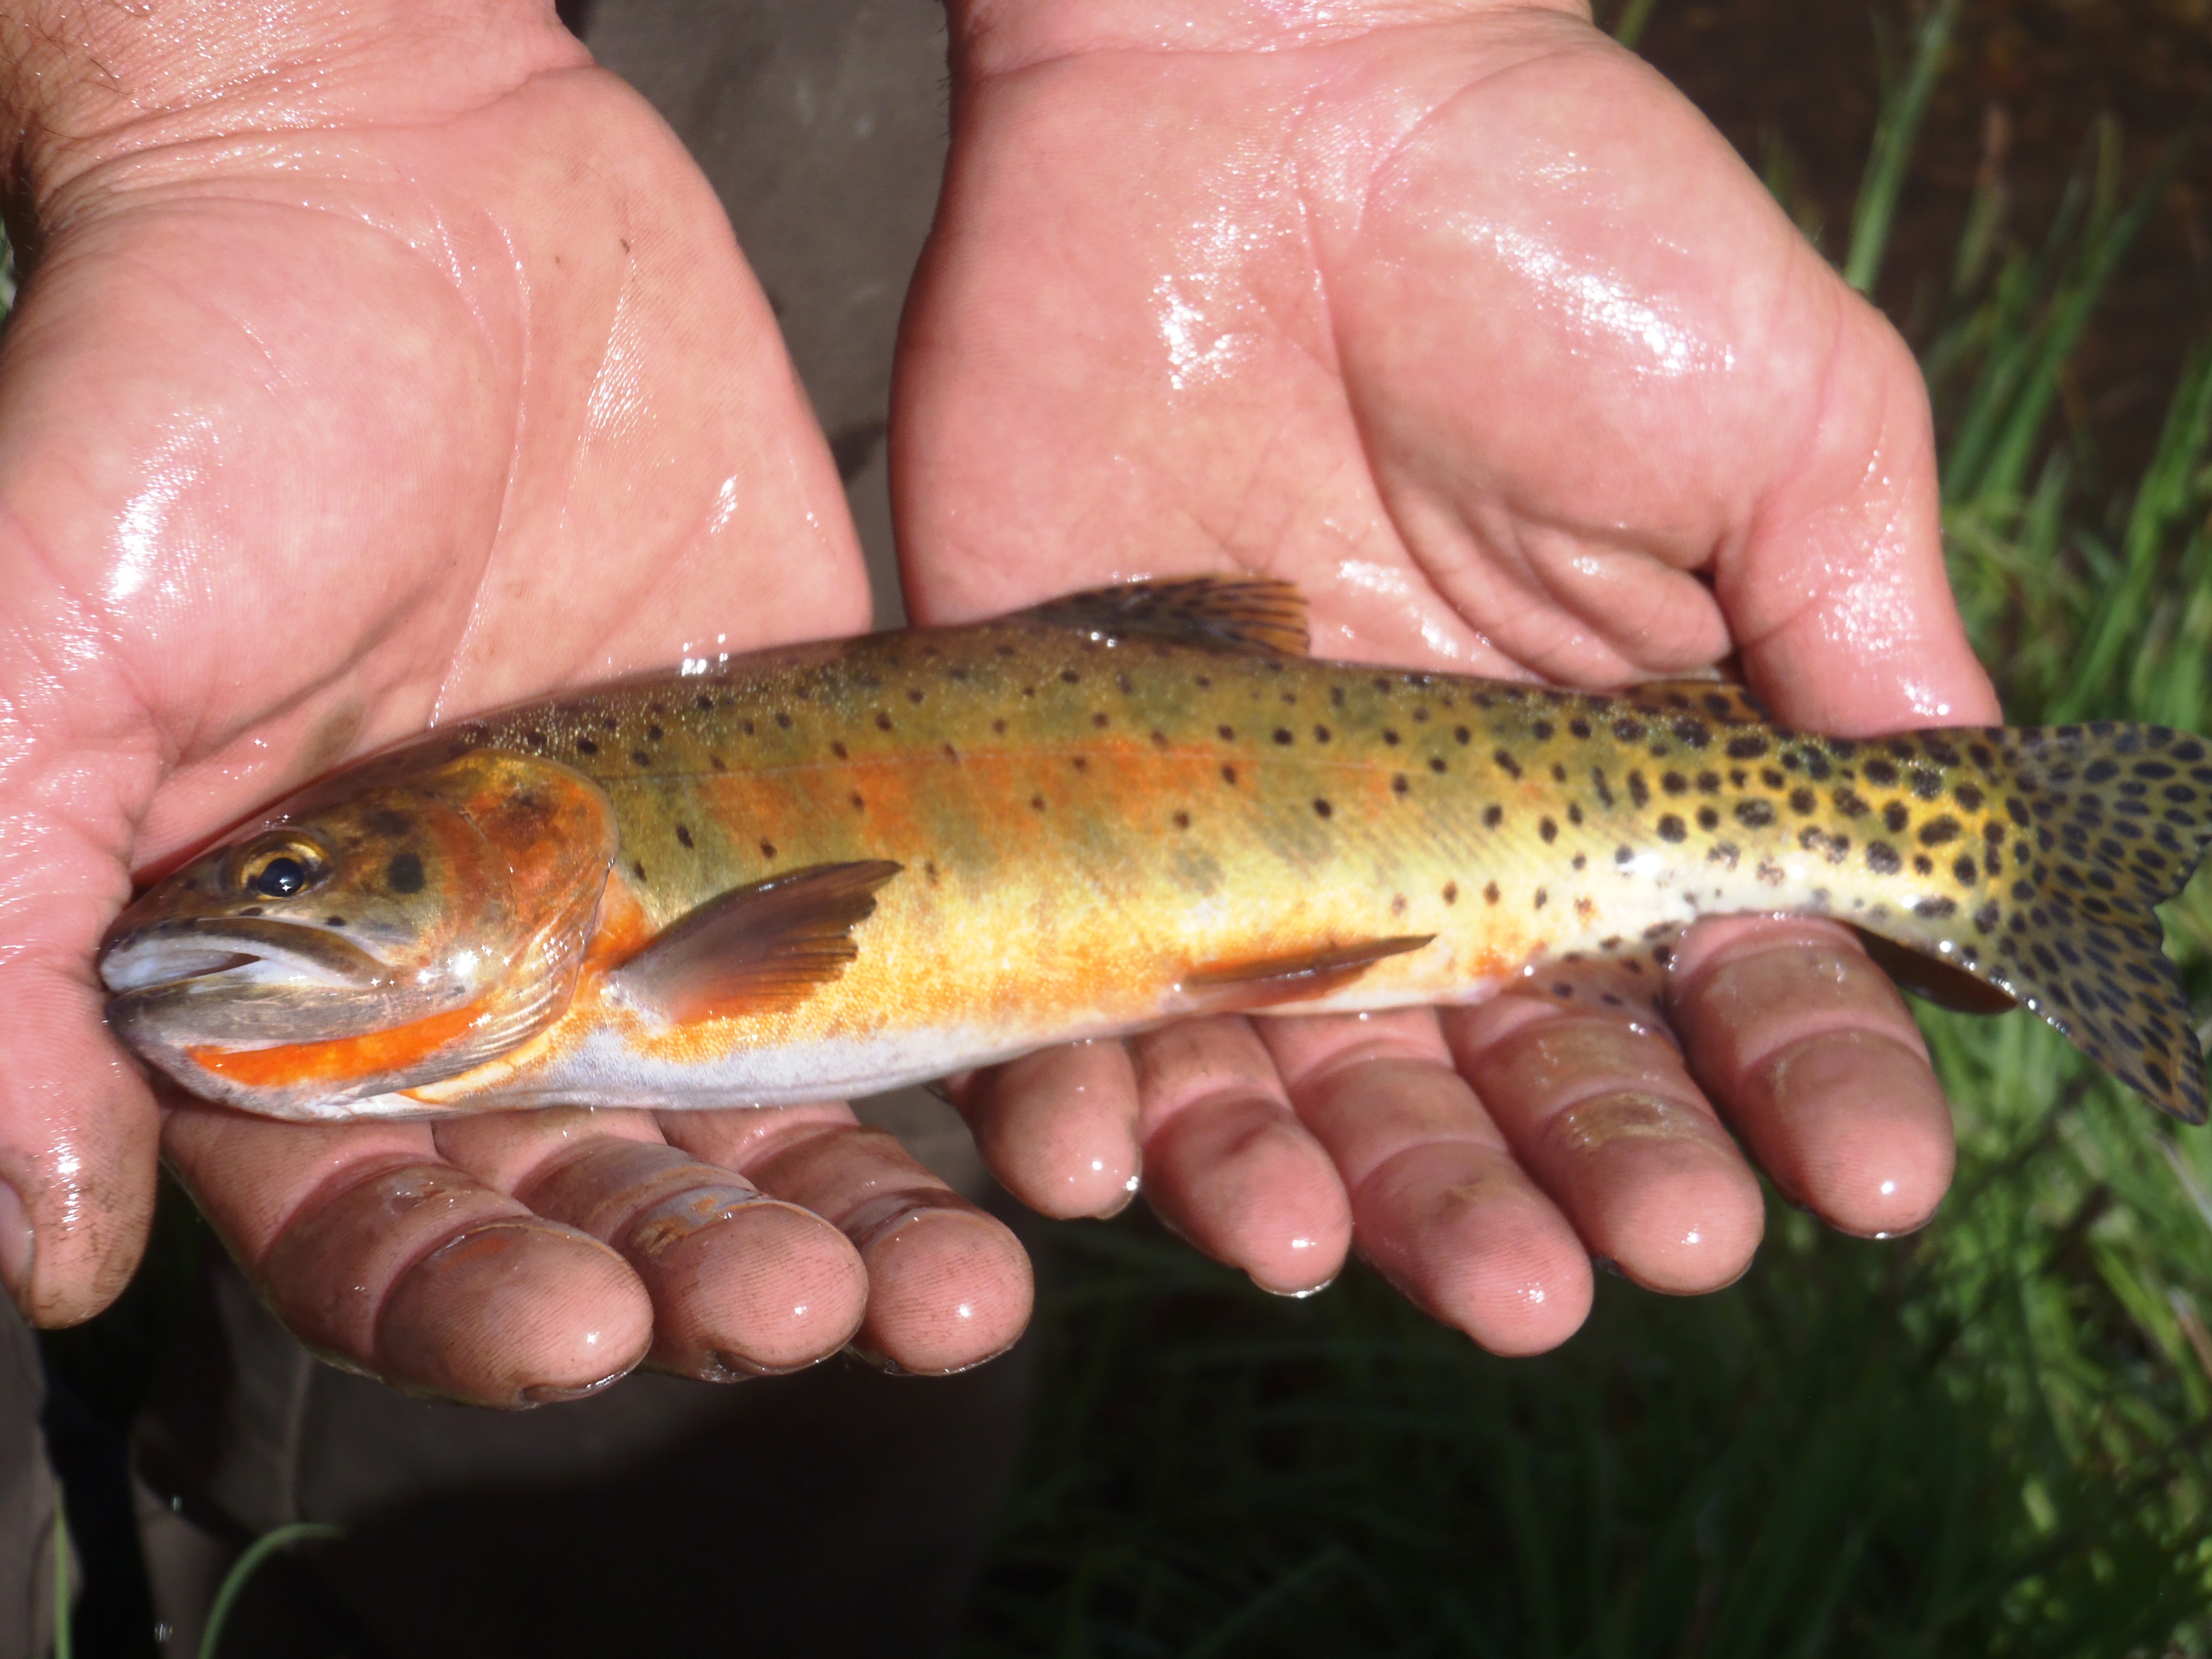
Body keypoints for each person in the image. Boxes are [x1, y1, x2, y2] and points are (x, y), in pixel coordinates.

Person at [0, 0, 1990, 1445]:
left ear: (521, 845)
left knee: (796, 1405)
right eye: (283, 882)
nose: (251, 914)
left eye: (298, 878)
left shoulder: (662, 963)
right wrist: (247, 84)